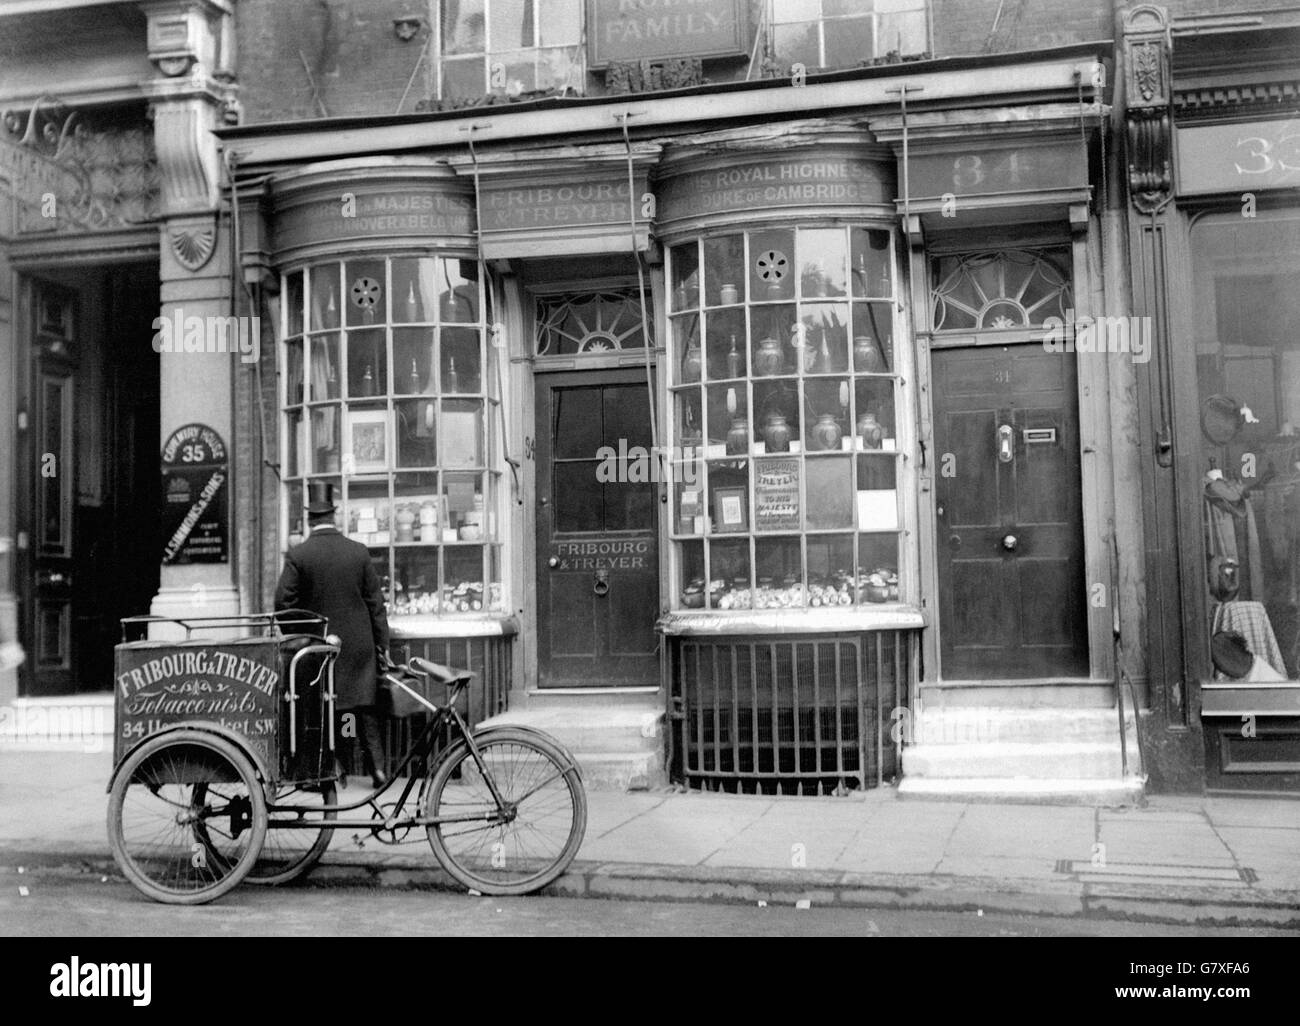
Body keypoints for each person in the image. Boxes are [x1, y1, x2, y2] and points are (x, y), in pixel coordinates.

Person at [275, 482, 391, 788]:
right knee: (360, 709)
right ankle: (377, 771)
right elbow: (376, 606)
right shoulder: (358, 552)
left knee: (331, 709)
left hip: (321, 646)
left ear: (310, 520)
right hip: (359, 645)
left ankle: (336, 767)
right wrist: (382, 645)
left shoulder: (300, 555)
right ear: (333, 516)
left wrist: (301, 636)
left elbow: (282, 603)